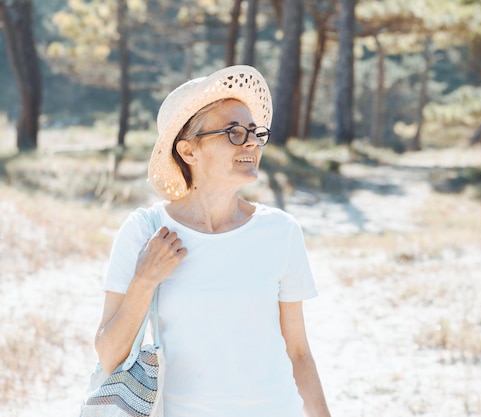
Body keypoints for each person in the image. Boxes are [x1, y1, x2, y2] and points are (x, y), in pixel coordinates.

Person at [94, 65, 331, 417]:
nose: (251, 142)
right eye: (233, 132)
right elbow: (109, 355)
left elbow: (298, 353)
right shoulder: (145, 230)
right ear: (189, 151)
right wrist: (144, 281)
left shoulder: (281, 231)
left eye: (254, 132)